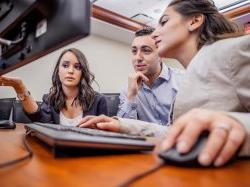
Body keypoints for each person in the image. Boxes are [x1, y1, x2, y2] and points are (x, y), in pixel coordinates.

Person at [77, 0, 250, 167]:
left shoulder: (237, 49)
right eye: (134, 51)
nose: (154, 34)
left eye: (164, 22)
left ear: (194, 20)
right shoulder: (192, 75)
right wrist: (121, 124)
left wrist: (237, 125)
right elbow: (172, 132)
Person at [0, 48, 108, 126]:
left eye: (77, 67)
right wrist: (19, 86)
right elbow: (38, 119)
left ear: (83, 72)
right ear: (58, 72)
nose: (70, 71)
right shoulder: (50, 98)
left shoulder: (99, 100)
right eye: (65, 65)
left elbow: (104, 137)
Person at [117, 27, 183, 125]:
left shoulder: (183, 80)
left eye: (146, 50)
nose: (138, 58)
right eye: (134, 51)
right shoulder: (127, 90)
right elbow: (123, 127)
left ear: (162, 54)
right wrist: (131, 97)